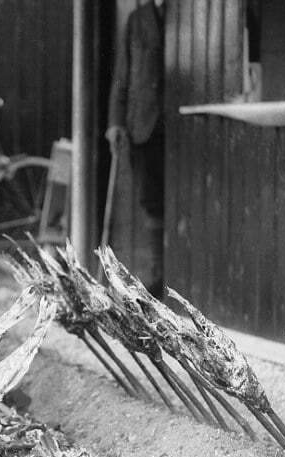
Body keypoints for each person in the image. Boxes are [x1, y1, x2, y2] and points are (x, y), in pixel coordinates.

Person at [106, 0, 165, 297]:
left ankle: (177, 278)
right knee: (151, 201)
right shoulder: (137, 18)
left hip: (180, 128)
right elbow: (122, 73)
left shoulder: (188, 12)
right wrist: (115, 121)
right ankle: (157, 277)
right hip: (144, 125)